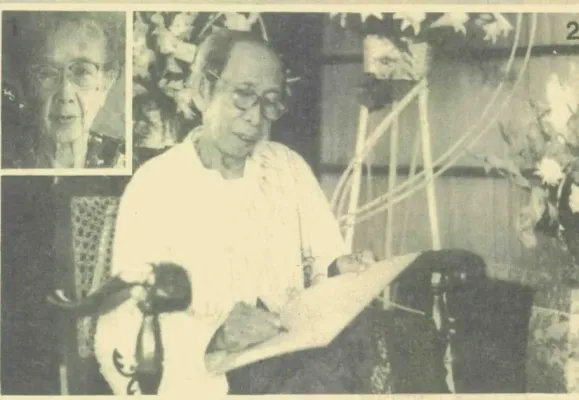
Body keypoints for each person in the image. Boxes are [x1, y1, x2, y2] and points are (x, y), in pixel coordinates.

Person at [93, 29, 374, 395]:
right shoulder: (155, 185)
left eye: (270, 102)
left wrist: (341, 271)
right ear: (203, 90)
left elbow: (325, 266)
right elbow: (124, 323)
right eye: (243, 95)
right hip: (209, 380)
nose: (255, 117)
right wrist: (216, 336)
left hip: (297, 364)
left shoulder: (287, 168)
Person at [2, 12, 125, 169]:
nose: (65, 94)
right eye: (47, 73)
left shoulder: (125, 161)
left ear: (105, 85)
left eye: (82, 72)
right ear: (29, 86)